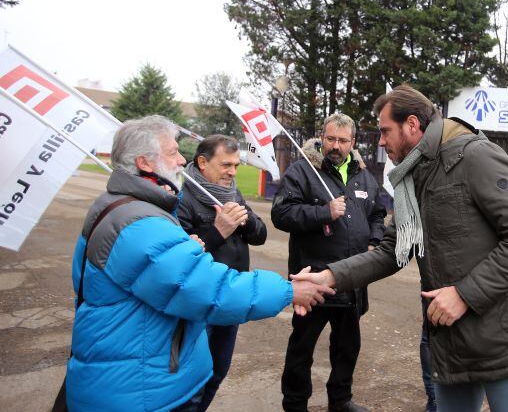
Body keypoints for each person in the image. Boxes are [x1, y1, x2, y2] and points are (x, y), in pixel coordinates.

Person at [292, 85, 508, 412]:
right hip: (449, 338)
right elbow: (393, 250)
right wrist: (330, 277)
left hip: (504, 338)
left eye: (386, 131)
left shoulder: (476, 156)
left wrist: (464, 294)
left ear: (412, 125)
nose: (381, 141)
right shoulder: (411, 176)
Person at [64, 115, 333, 411]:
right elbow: (208, 289)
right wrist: (287, 291)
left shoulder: (127, 207)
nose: (181, 159)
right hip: (138, 386)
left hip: (144, 366)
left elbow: (253, 236)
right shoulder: (139, 221)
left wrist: (186, 248)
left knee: (216, 371)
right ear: (144, 162)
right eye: (171, 152)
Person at [272, 113, 386, 412]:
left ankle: (341, 399)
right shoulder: (302, 170)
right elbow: (281, 214)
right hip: (313, 279)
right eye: (331, 139)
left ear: (353, 142)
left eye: (343, 140)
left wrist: (374, 241)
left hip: (352, 278)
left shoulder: (363, 175)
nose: (336, 146)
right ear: (322, 138)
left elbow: (377, 214)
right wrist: (324, 212)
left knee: (347, 347)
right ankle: (295, 403)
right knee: (302, 347)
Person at [177, 134, 268, 410]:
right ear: (202, 162)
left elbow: (260, 234)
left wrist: (245, 221)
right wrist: (219, 230)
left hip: (232, 297)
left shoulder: (233, 193)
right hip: (199, 304)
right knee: (190, 379)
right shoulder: (184, 200)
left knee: (218, 371)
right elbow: (178, 258)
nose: (232, 172)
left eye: (236, 166)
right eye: (226, 165)